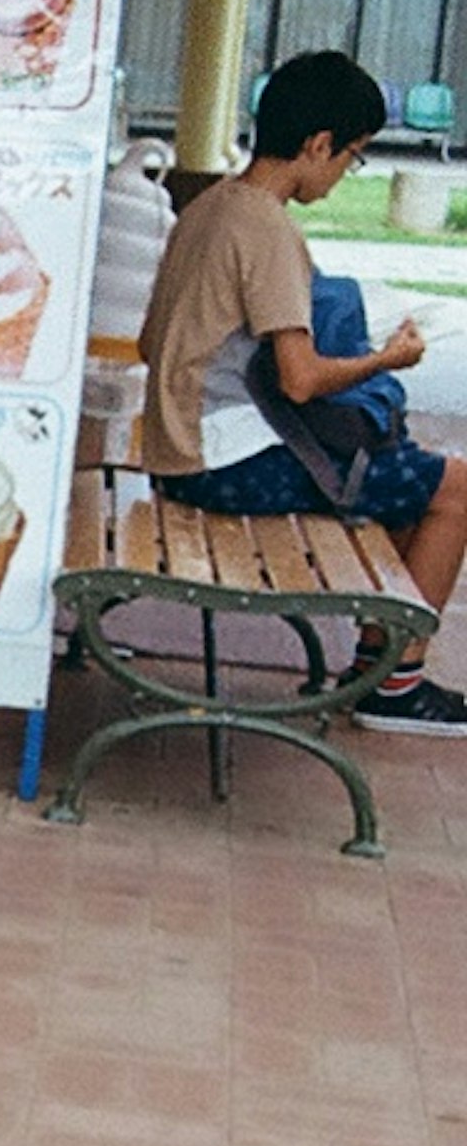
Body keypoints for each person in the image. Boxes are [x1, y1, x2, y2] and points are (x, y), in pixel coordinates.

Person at [136, 48, 467, 734]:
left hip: (176, 448)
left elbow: (149, 344)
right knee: (458, 488)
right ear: (318, 144)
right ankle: (395, 689)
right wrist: (387, 358)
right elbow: (301, 377)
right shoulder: (267, 227)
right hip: (226, 466)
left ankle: (379, 665)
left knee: (411, 480)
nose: (347, 173)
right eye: (352, 155)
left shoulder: (208, 206)